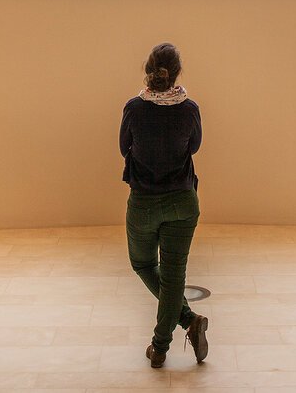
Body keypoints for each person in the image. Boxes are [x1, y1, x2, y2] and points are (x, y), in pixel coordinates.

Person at [120, 43, 208, 369]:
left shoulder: (133, 108)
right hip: (183, 203)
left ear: (148, 68)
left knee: (143, 265)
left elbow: (122, 147)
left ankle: (164, 345)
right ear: (177, 73)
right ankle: (179, 329)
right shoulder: (190, 109)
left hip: (143, 202)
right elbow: (195, 147)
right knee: (173, 278)